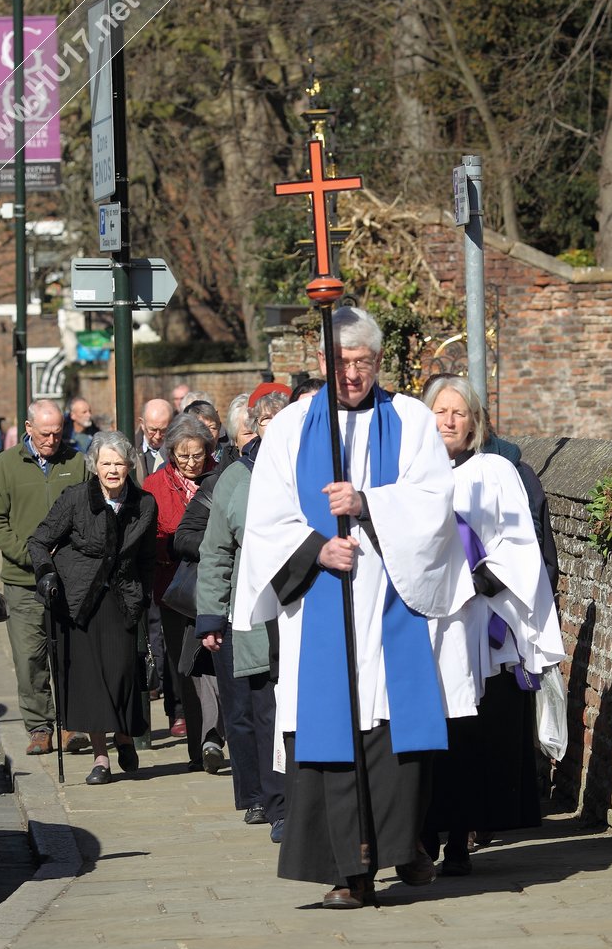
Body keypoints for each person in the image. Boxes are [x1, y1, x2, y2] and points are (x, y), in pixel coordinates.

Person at [233, 306, 473, 908]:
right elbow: (265, 519)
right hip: (322, 603)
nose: (352, 375)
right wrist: (317, 549)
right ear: (320, 362)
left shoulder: (411, 419)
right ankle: (348, 871)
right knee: (329, 731)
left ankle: (402, 847)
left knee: (396, 727)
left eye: (363, 362)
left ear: (377, 362)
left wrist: (367, 503)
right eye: (341, 363)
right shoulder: (288, 429)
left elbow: (434, 500)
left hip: (392, 599)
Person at [422, 375, 565, 874]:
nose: (449, 420)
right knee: (428, 731)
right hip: (427, 623)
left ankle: (460, 837)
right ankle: (422, 835)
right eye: (440, 410)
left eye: (459, 412)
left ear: (475, 421)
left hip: (483, 618)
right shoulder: (410, 475)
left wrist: (479, 582)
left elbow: (519, 541)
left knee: (470, 736)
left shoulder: (497, 471)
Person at [27, 431, 157, 785]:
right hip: (77, 599)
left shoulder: (144, 504)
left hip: (121, 596)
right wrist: (46, 575)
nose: (112, 470)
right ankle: (101, 758)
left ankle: (125, 735)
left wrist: (143, 594)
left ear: (130, 465)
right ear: (94, 466)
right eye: (106, 463)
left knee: (121, 674)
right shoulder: (75, 499)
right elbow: (38, 541)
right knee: (91, 680)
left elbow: (147, 558)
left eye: (118, 463)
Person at [195, 387, 288, 844]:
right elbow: (214, 553)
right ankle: (272, 802)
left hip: (303, 612)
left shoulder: (308, 473)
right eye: (263, 423)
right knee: (258, 710)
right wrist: (211, 615)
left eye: (280, 421)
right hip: (251, 614)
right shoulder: (235, 479)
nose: (270, 431)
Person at [0, 399, 90, 755]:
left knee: (70, 654)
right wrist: (31, 556)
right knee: (30, 657)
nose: (52, 439)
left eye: (58, 432)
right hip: (24, 581)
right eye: (45, 433)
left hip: (69, 579)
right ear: (28, 428)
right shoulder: (6, 465)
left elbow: (91, 512)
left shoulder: (75, 462)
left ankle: (71, 724)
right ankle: (39, 726)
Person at [143, 414, 224, 770]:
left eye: (199, 455)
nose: (192, 463)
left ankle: (219, 738)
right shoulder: (155, 486)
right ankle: (199, 746)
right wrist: (175, 549)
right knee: (187, 668)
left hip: (220, 588)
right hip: (176, 591)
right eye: (183, 455)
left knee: (221, 666)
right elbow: (150, 539)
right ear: (170, 452)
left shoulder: (224, 476)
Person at [135, 398, 173, 485]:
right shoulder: (130, 448)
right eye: (153, 430)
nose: (157, 436)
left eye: (164, 430)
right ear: (142, 423)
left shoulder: (178, 450)